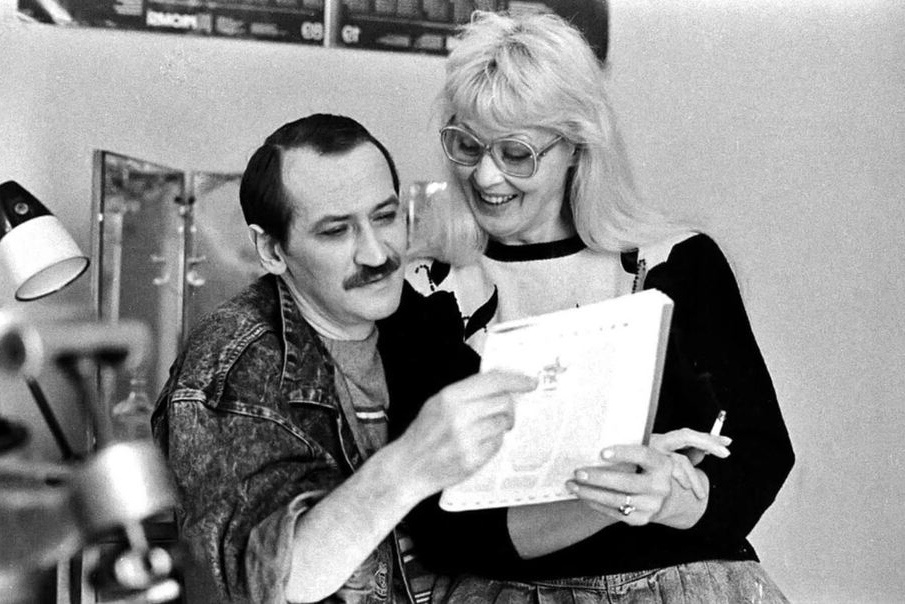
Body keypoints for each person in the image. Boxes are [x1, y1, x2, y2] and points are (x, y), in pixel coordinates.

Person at [402, 10, 795, 603]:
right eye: (467, 145)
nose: (485, 177)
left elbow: (758, 453)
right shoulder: (427, 291)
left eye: (516, 153)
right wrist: (614, 501)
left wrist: (672, 498)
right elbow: (440, 525)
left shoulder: (676, 264)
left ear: (576, 147)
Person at [150, 113, 538, 603]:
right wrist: (411, 462)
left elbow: (485, 533)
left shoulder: (417, 324)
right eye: (336, 232)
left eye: (385, 217)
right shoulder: (232, 364)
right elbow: (266, 582)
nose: (377, 255)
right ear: (272, 250)